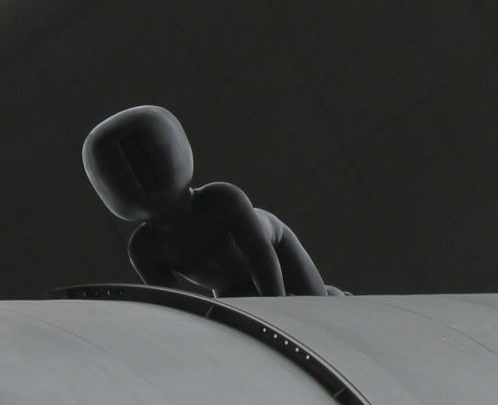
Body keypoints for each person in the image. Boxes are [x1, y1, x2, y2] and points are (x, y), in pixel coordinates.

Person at [83, 104, 337, 296]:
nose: (138, 173)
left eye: (146, 158)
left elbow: (260, 253)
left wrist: (276, 303)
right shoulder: (144, 248)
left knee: (318, 308)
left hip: (278, 248)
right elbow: (175, 302)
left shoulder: (221, 199)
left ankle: (334, 296)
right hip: (226, 289)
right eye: (123, 171)